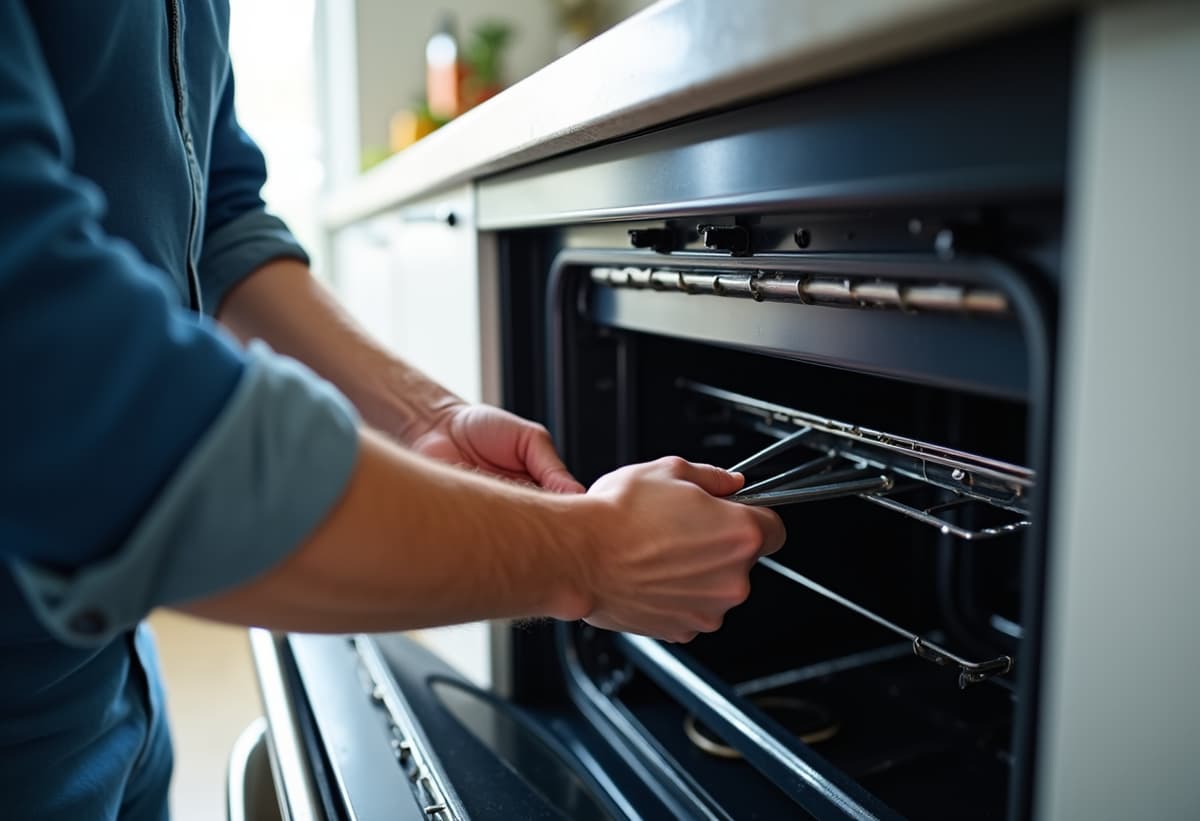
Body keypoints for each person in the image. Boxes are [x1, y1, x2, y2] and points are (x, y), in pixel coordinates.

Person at [0, 2, 785, 819]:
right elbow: (67, 391)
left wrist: (426, 416)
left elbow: (222, 215)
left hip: (111, 680)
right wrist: (589, 557)